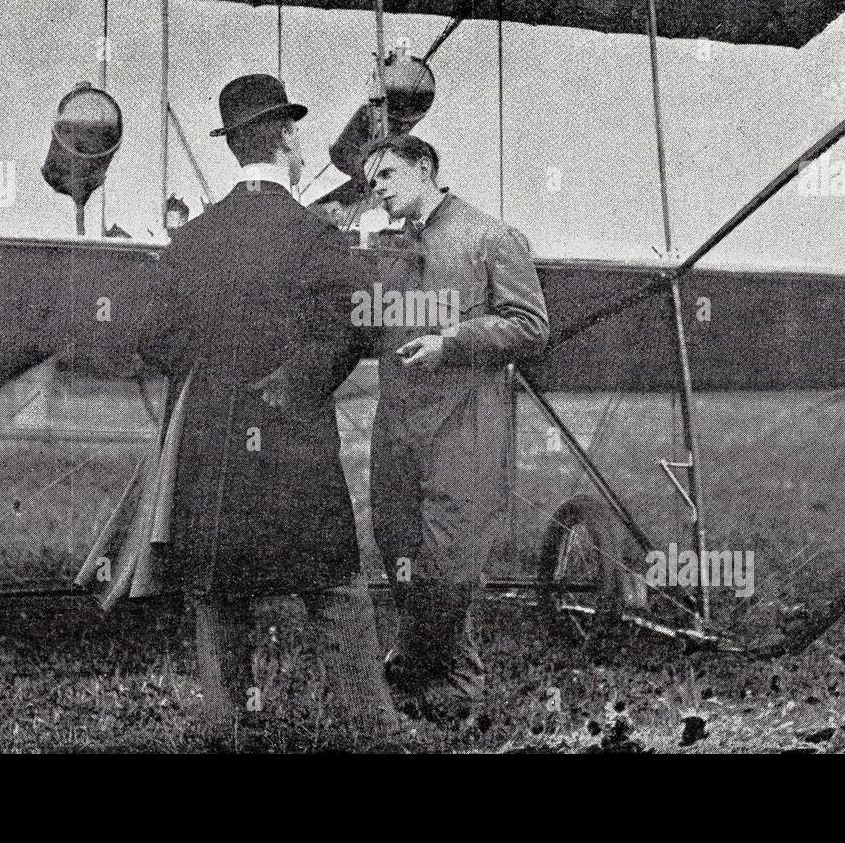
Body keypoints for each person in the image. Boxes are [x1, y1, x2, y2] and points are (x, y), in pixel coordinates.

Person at [136, 73, 397, 745]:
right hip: (293, 440)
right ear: (284, 139)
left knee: (220, 593)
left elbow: (150, 335)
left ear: (234, 147)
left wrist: (215, 368)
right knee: (334, 584)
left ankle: (230, 726)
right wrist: (298, 379)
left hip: (213, 442)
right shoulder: (314, 234)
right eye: (297, 135)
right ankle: (371, 728)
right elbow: (360, 320)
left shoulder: (192, 240)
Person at [362, 133, 549, 725]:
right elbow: (371, 329)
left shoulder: (491, 237)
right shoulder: (389, 249)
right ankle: (416, 668)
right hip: (398, 425)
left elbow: (530, 327)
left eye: (387, 175)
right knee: (398, 545)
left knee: (448, 556)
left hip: (462, 423)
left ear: (425, 168)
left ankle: (459, 685)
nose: (379, 190)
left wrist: (453, 342)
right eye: (373, 182)